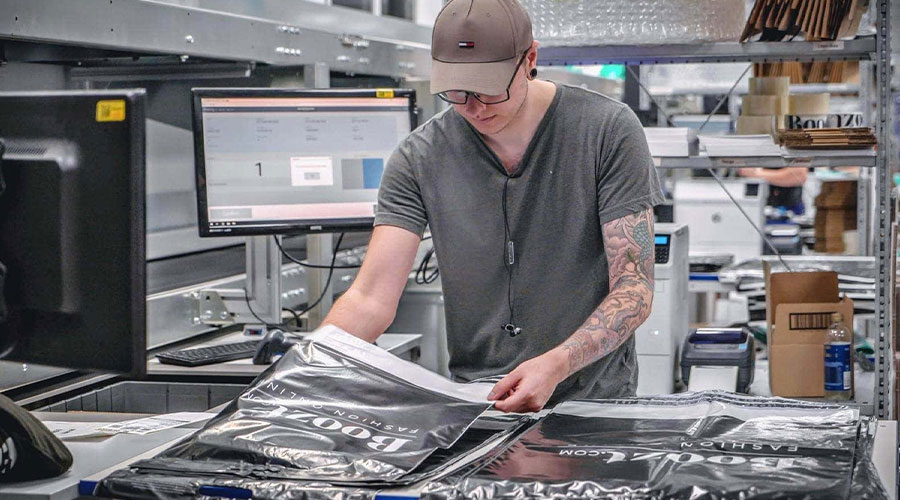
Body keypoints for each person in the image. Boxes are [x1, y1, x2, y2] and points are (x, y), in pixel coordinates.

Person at [323, 0, 664, 413]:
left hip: (593, 403)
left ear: (530, 59)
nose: (475, 107)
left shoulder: (607, 132)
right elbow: (370, 299)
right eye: (457, 92)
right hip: (480, 403)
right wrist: (304, 372)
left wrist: (557, 364)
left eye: (489, 89)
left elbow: (634, 289)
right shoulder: (420, 158)